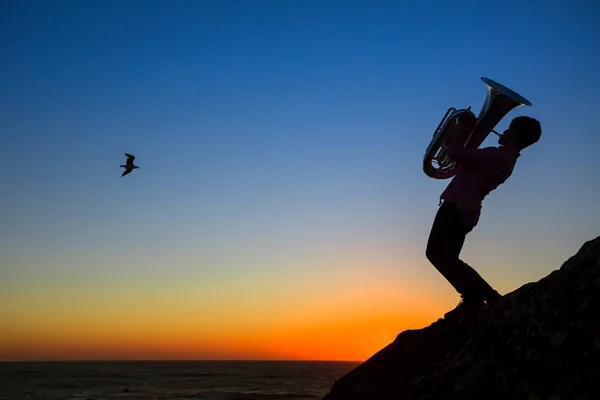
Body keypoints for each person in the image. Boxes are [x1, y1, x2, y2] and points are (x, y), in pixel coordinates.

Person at [425, 113, 542, 319]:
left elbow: (456, 154)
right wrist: (453, 142)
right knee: (446, 257)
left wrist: (463, 127)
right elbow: (461, 160)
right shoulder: (502, 157)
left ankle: (481, 298)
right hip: (463, 207)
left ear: (516, 135)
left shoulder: (499, 156)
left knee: (438, 255)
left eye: (510, 128)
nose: (504, 130)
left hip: (458, 206)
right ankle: (481, 298)